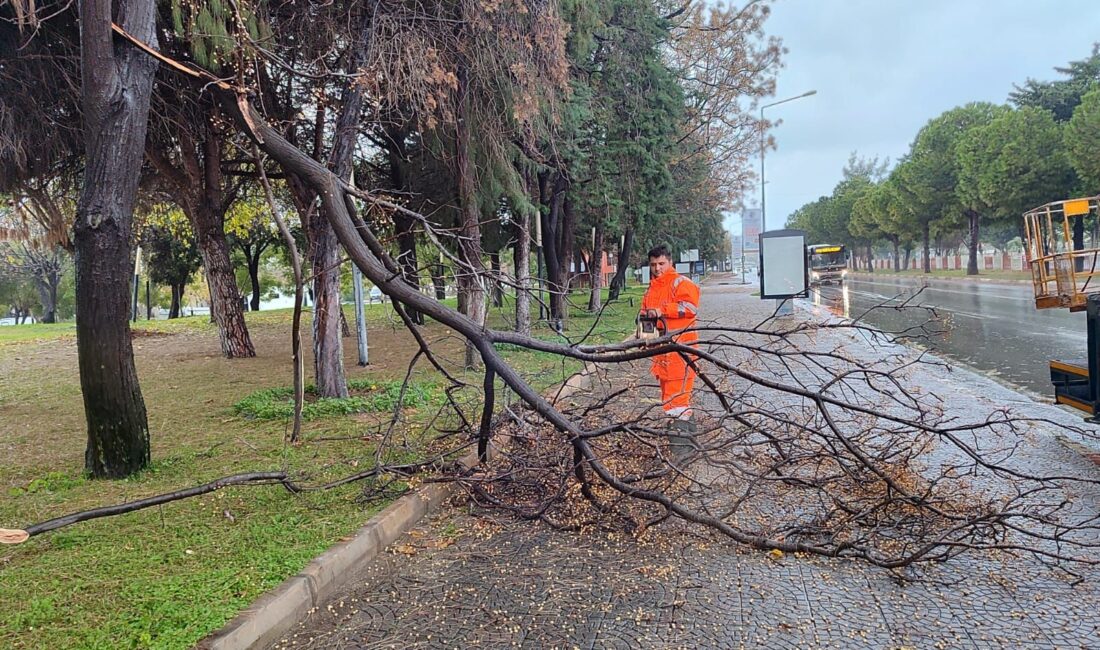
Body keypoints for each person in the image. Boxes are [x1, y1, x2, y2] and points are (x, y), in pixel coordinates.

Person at [640, 245, 700, 444]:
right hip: (662, 353)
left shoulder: (681, 283)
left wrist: (662, 310)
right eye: (653, 264)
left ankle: (681, 449)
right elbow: (645, 314)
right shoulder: (653, 288)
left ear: (670, 262)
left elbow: (690, 308)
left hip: (680, 350)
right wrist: (643, 337)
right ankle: (687, 441)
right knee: (670, 398)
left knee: (677, 400)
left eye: (661, 264)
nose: (657, 268)